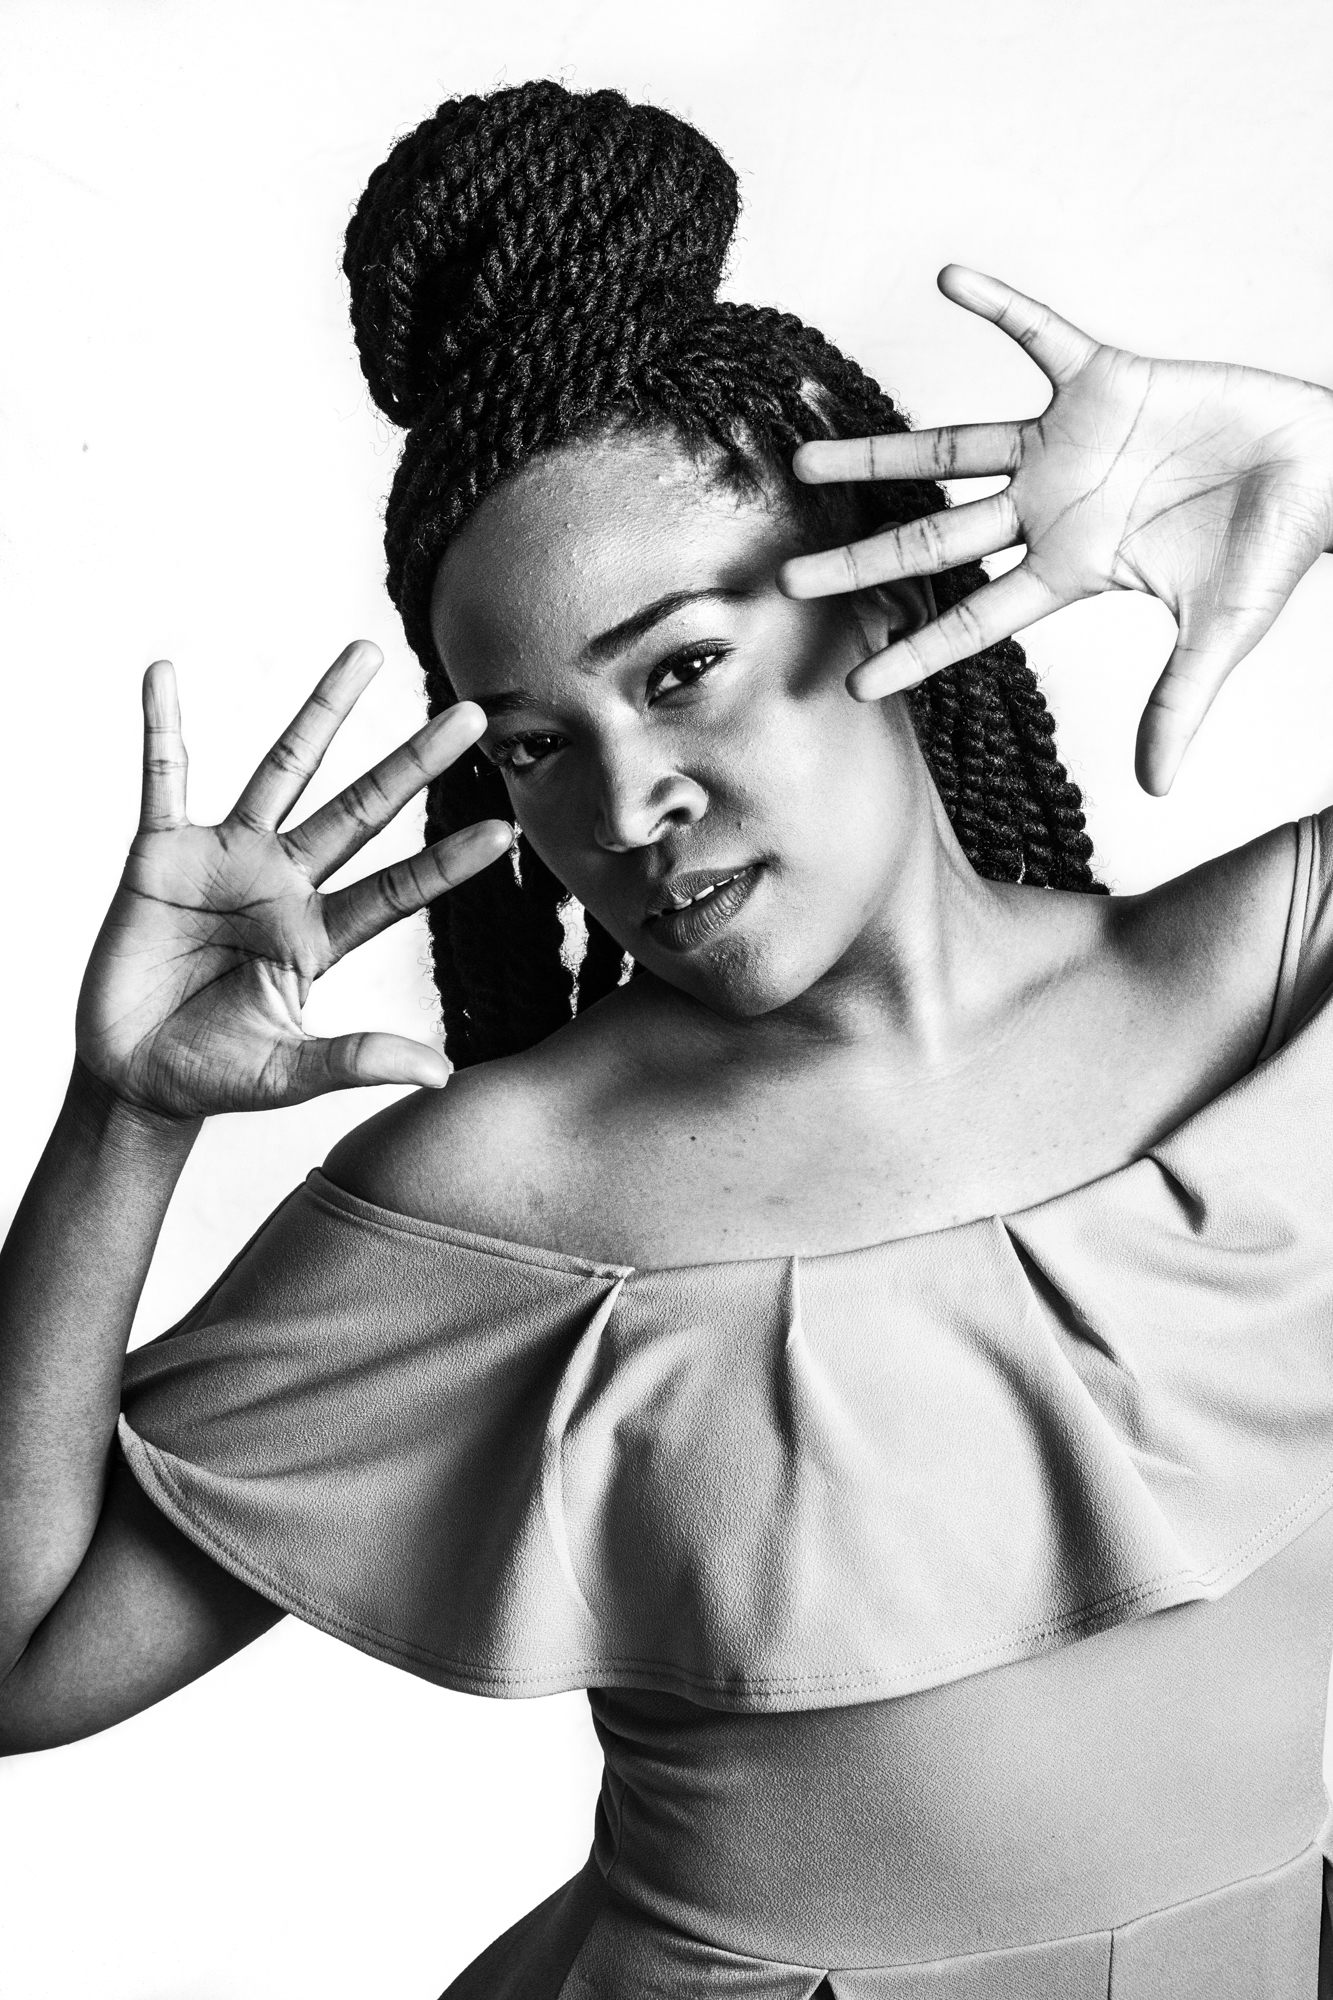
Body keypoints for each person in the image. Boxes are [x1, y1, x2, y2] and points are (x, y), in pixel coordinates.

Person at [4, 76, 1333, 1998]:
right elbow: (24, 1654)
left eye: (681, 669)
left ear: (887, 577)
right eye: (537, 744)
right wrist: (118, 1122)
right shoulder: (512, 1181)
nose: (626, 810)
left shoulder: (1270, 987)